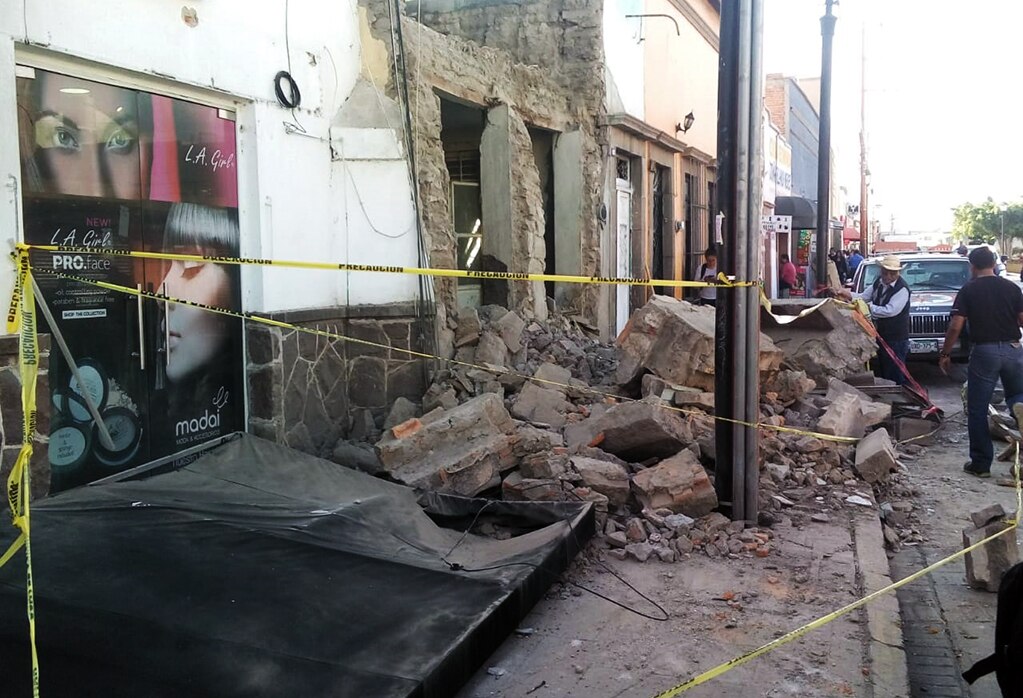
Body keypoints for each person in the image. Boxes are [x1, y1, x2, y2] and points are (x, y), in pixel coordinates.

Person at [939, 246, 1023, 478]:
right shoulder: (1011, 287)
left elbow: (956, 324)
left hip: (985, 351)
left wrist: (945, 354)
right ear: (994, 264)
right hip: (1013, 347)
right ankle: (1019, 411)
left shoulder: (969, 289)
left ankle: (981, 463)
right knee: (1017, 396)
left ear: (972, 266)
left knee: (977, 408)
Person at [838, 255, 912, 385]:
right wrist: (848, 295)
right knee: (884, 370)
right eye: (885, 272)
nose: (888, 276)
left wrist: (867, 307)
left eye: (892, 273)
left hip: (896, 338)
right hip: (881, 335)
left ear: (898, 273)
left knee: (895, 372)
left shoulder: (902, 289)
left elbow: (890, 311)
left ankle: (897, 399)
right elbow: (863, 297)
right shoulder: (878, 283)